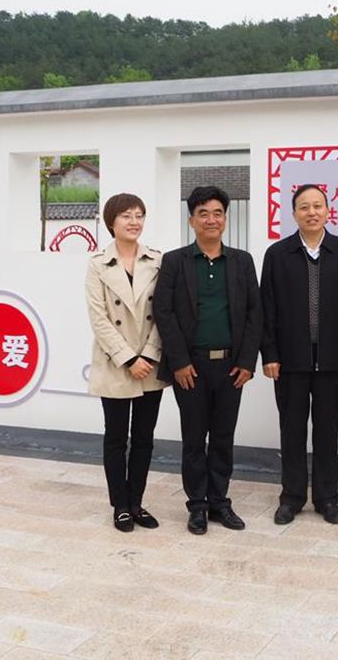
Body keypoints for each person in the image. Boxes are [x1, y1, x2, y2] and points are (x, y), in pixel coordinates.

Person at [153, 185, 262, 535]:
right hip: (191, 367)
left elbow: (255, 313)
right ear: (192, 220)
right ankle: (197, 505)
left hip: (231, 367)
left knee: (223, 437)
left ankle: (219, 501)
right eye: (203, 214)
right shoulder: (175, 261)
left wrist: (247, 361)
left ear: (225, 219)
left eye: (217, 213)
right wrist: (179, 361)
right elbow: (163, 312)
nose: (211, 220)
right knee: (193, 438)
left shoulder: (242, 261)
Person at [260, 184, 338, 526]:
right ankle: (291, 497)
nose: (312, 212)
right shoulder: (278, 254)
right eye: (304, 207)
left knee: (327, 431)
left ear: (328, 211)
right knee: (291, 430)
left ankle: (326, 498)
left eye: (318, 206)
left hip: (332, 359)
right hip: (290, 360)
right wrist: (270, 354)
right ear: (294, 214)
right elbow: (267, 308)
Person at [86, 193, 167, 532]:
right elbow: (99, 318)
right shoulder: (97, 263)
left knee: (145, 437)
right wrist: (129, 358)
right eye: (126, 216)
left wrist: (148, 354)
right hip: (116, 363)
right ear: (111, 222)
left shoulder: (158, 260)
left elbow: (164, 312)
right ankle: (120, 505)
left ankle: (137, 502)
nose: (134, 222)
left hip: (150, 362)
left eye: (139, 215)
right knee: (116, 437)